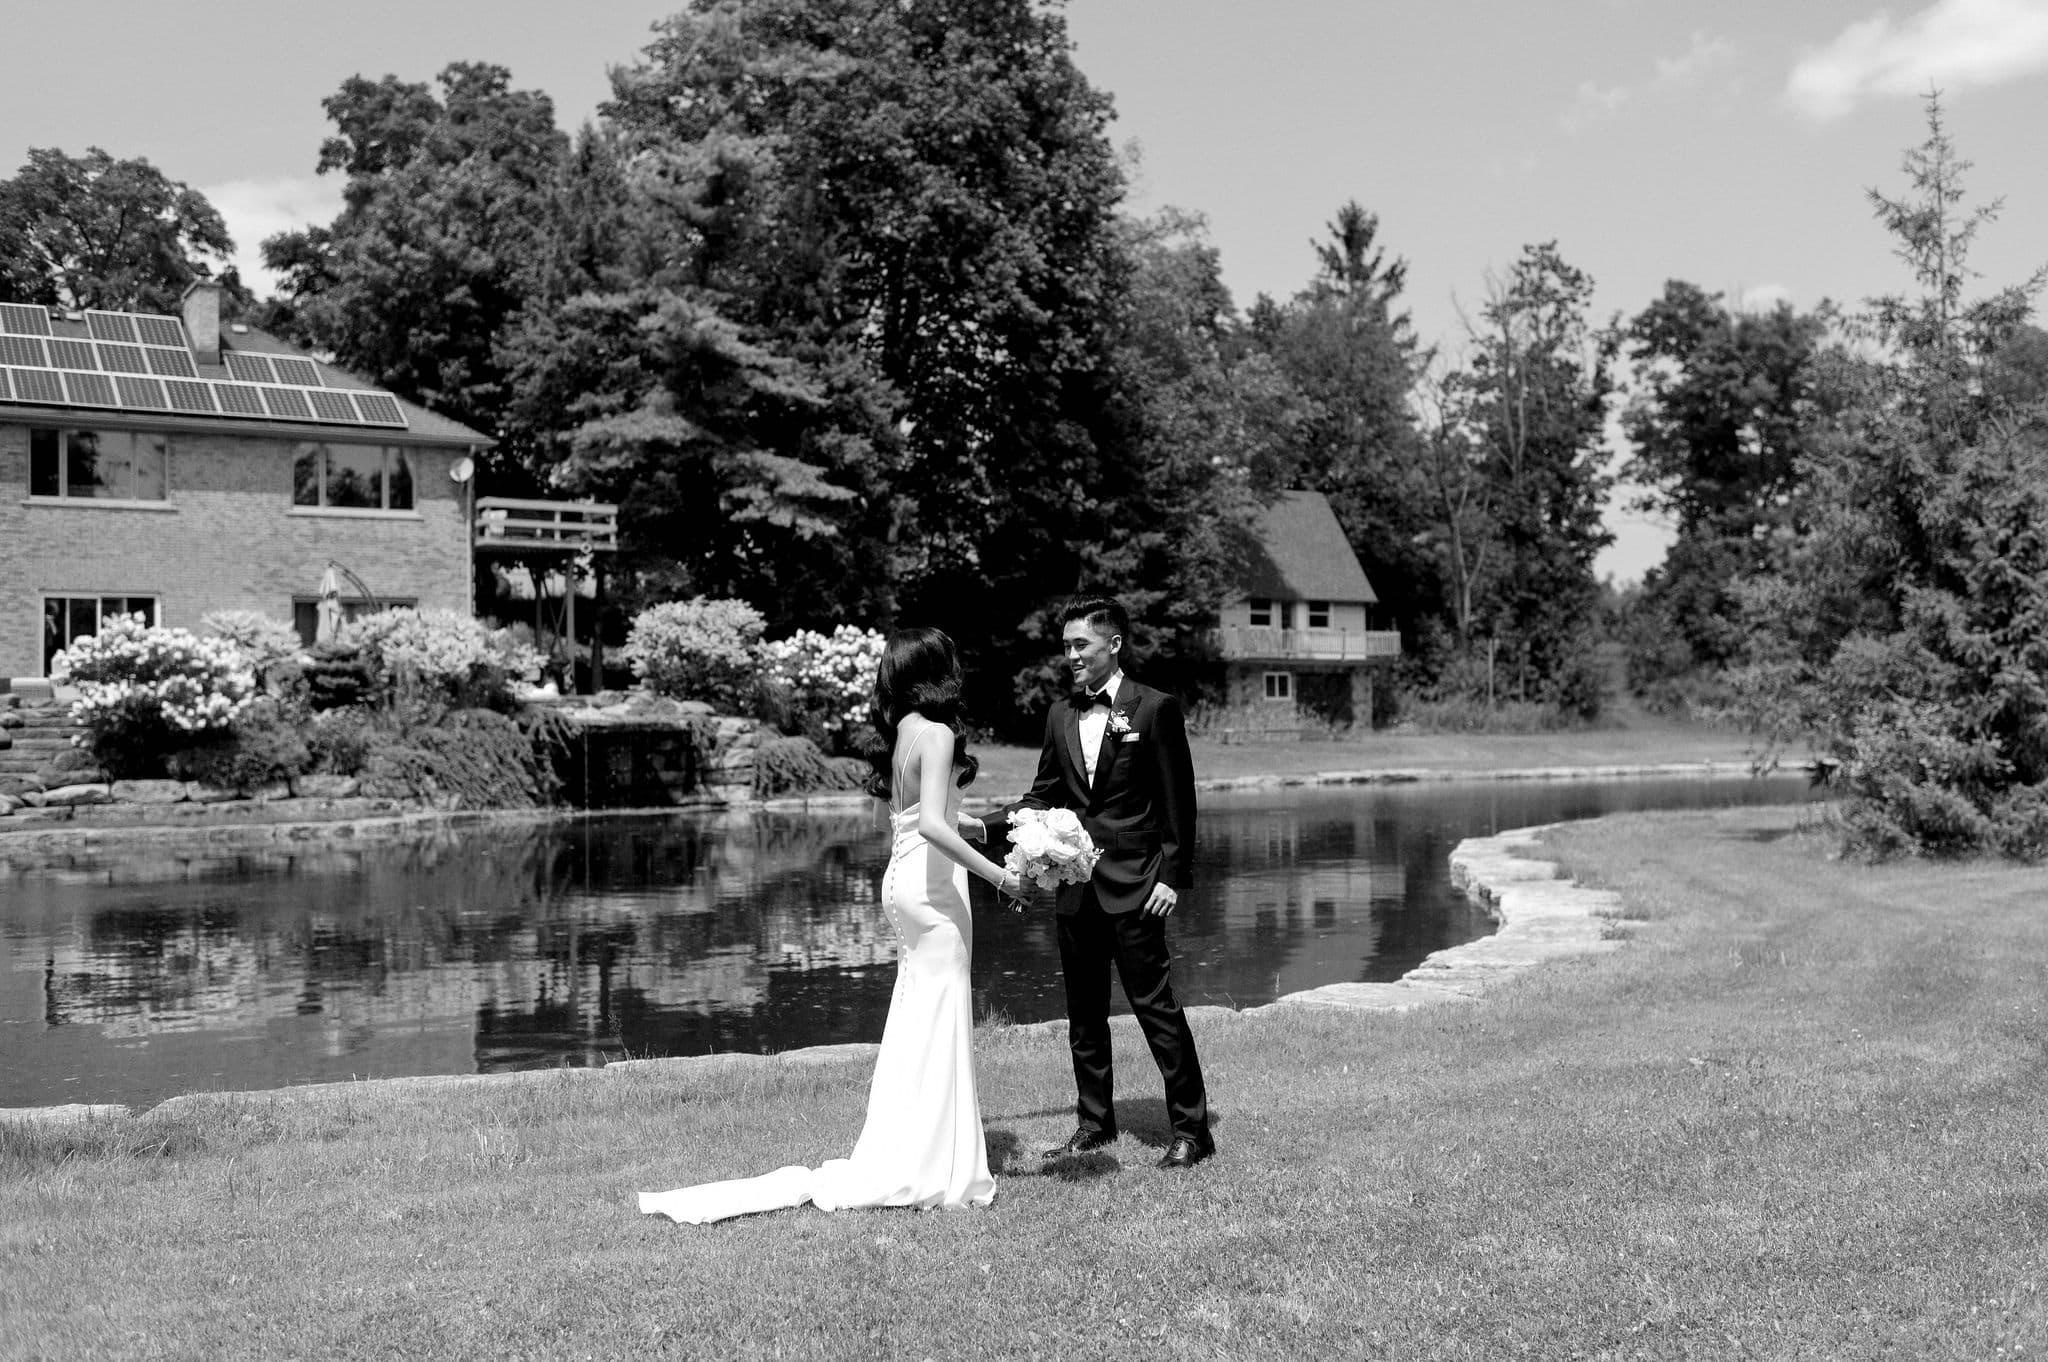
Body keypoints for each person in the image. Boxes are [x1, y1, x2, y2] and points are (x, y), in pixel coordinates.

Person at [638, 626, 1024, 1223]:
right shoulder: (941, 731)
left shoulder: (904, 733)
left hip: (903, 884)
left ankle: (915, 1145)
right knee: (941, 1013)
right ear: (939, 671)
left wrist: (987, 827)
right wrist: (1000, 877)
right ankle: (937, 1162)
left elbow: (924, 813)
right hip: (933, 884)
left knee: (918, 1012)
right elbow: (931, 827)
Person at [993, 595, 1214, 1170]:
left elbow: (1177, 802)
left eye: (1080, 645)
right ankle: (1094, 1124)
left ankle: (1192, 1131)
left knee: (1155, 1007)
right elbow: (1042, 795)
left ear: (1112, 644)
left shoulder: (1153, 709)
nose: (1070, 656)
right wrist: (983, 823)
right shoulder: (1060, 715)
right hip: (1075, 889)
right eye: (1065, 646)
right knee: (1084, 1013)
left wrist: (1172, 876)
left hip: (1138, 884)